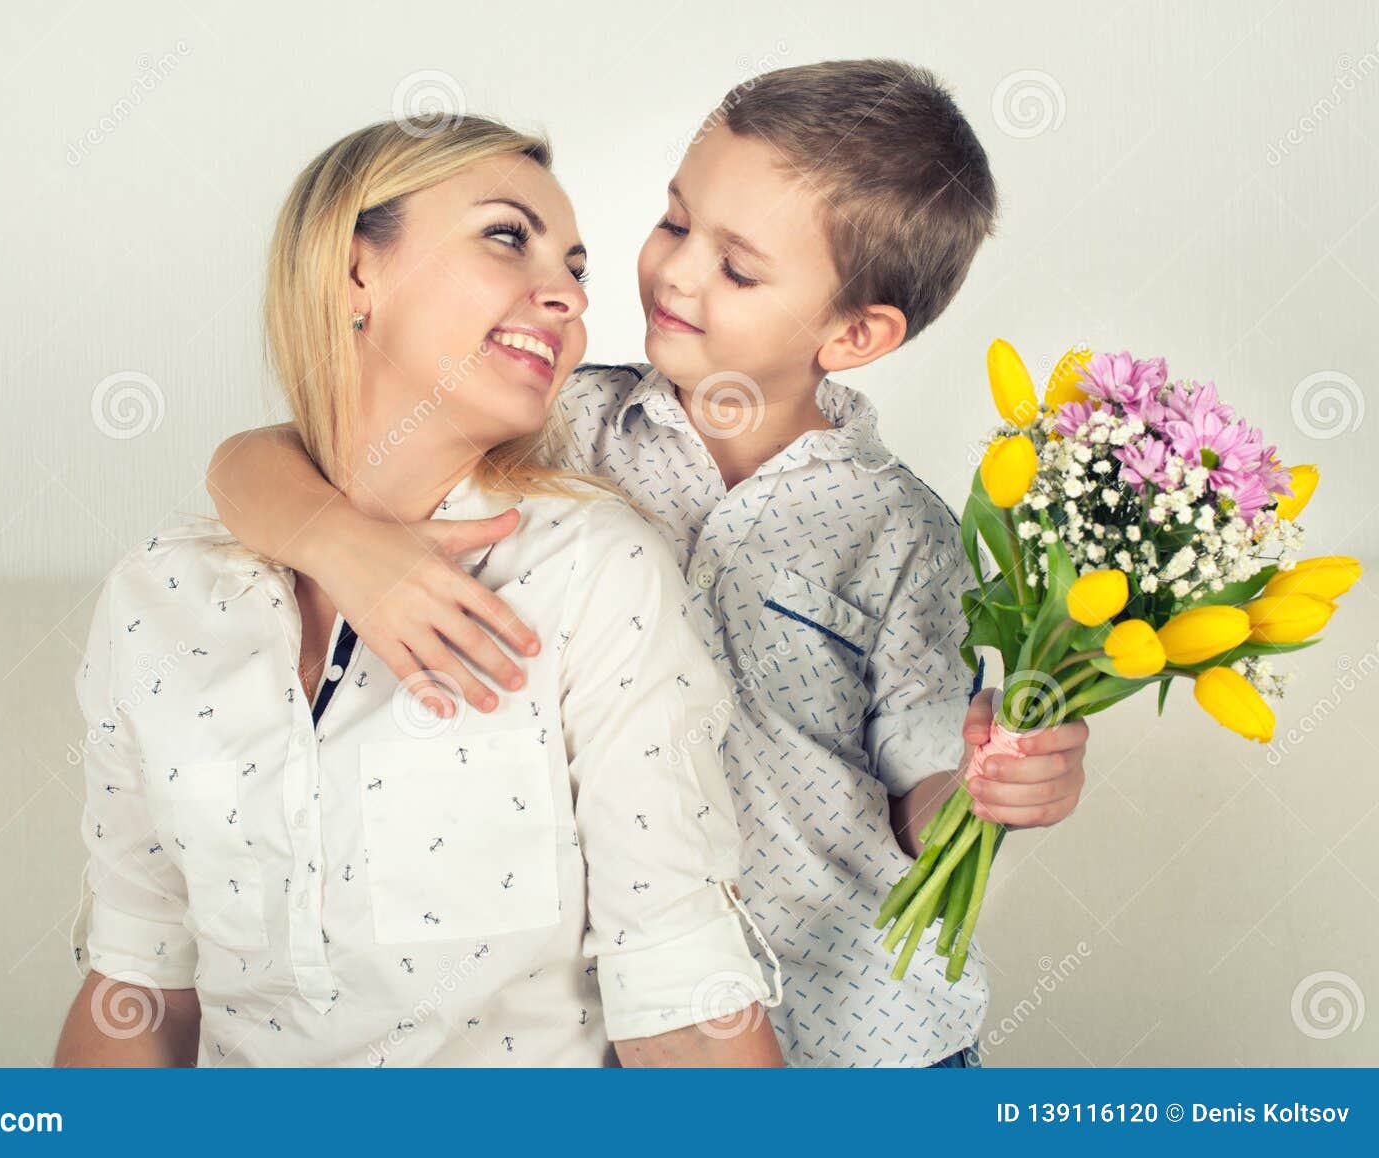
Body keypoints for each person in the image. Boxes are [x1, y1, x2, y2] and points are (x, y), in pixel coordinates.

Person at [204, 61, 1093, 1067]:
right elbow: (255, 462)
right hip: (636, 1027)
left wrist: (985, 793)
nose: (674, 274)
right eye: (675, 223)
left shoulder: (903, 534)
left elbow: (921, 794)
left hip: (864, 1033)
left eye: (738, 268)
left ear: (853, 333)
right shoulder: (558, 419)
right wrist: (339, 543)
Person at [55, 114, 785, 1067]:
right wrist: (338, 545)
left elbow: (684, 1003)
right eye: (506, 236)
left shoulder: (594, 573)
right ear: (356, 273)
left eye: (576, 268)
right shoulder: (159, 594)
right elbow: (138, 982)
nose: (564, 294)